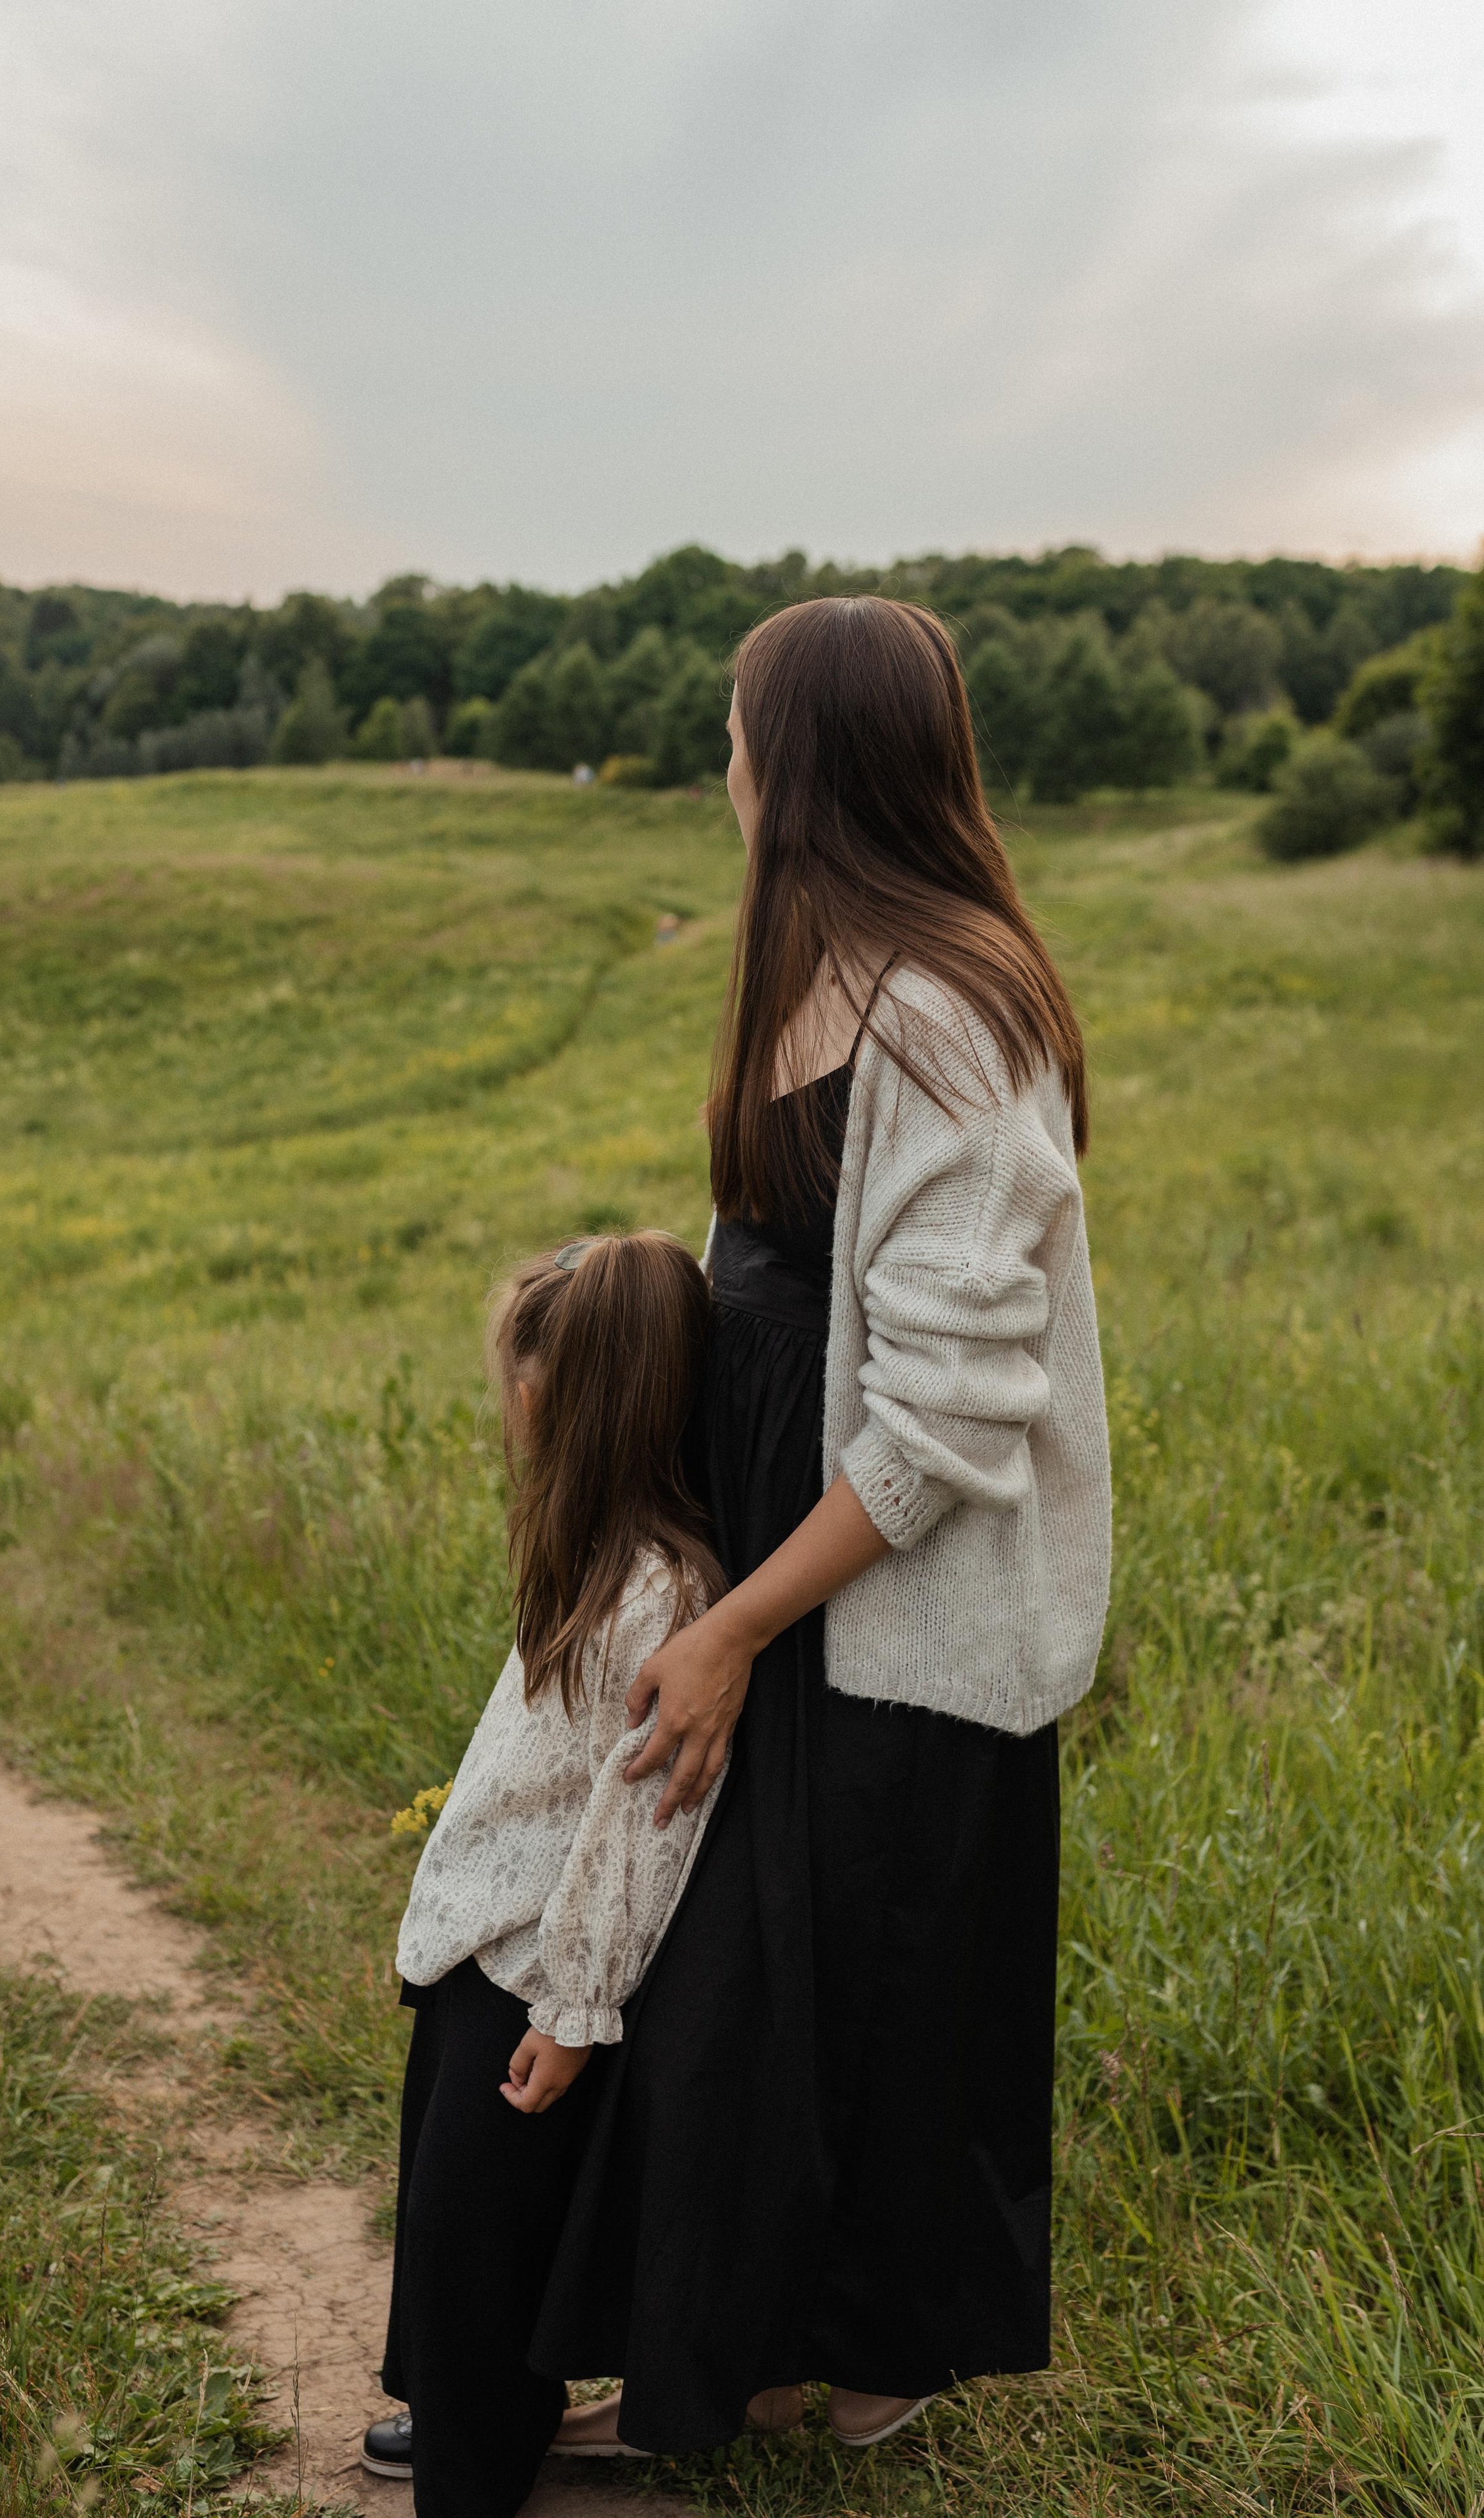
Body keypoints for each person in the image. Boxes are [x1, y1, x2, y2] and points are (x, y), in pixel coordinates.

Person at [531, 595, 1113, 2454]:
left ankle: (855, 2382)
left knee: (876, 1975)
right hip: (774, 1550)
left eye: (736, 728)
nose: (722, 760)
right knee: (735, 1975)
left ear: (807, 762)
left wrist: (737, 1626)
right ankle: (729, 2359)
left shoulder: (952, 1019)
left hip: (889, 1576)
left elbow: (945, 1410)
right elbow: (771, 1276)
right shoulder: (806, 977)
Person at [367, 1232, 727, 2517]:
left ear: (573, 1403)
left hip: (537, 1982)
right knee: (446, 2222)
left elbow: (639, 1835)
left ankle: (469, 2479)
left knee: (478, 2250)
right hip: (477, 1952)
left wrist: (571, 2016)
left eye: (519, 1388)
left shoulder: (662, 1600)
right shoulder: (590, 1561)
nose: (507, 1415)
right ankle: (467, 2416)